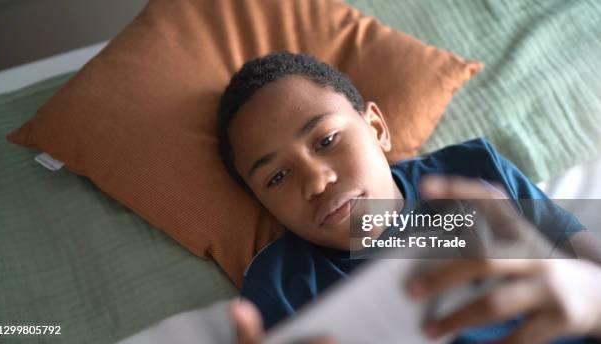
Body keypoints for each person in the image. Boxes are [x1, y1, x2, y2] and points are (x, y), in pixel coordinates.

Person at [216, 52, 601, 343]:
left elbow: (590, 264)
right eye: (277, 177)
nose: (316, 181)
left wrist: (589, 295)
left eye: (328, 140)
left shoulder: (475, 172)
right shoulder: (280, 286)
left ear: (377, 128)